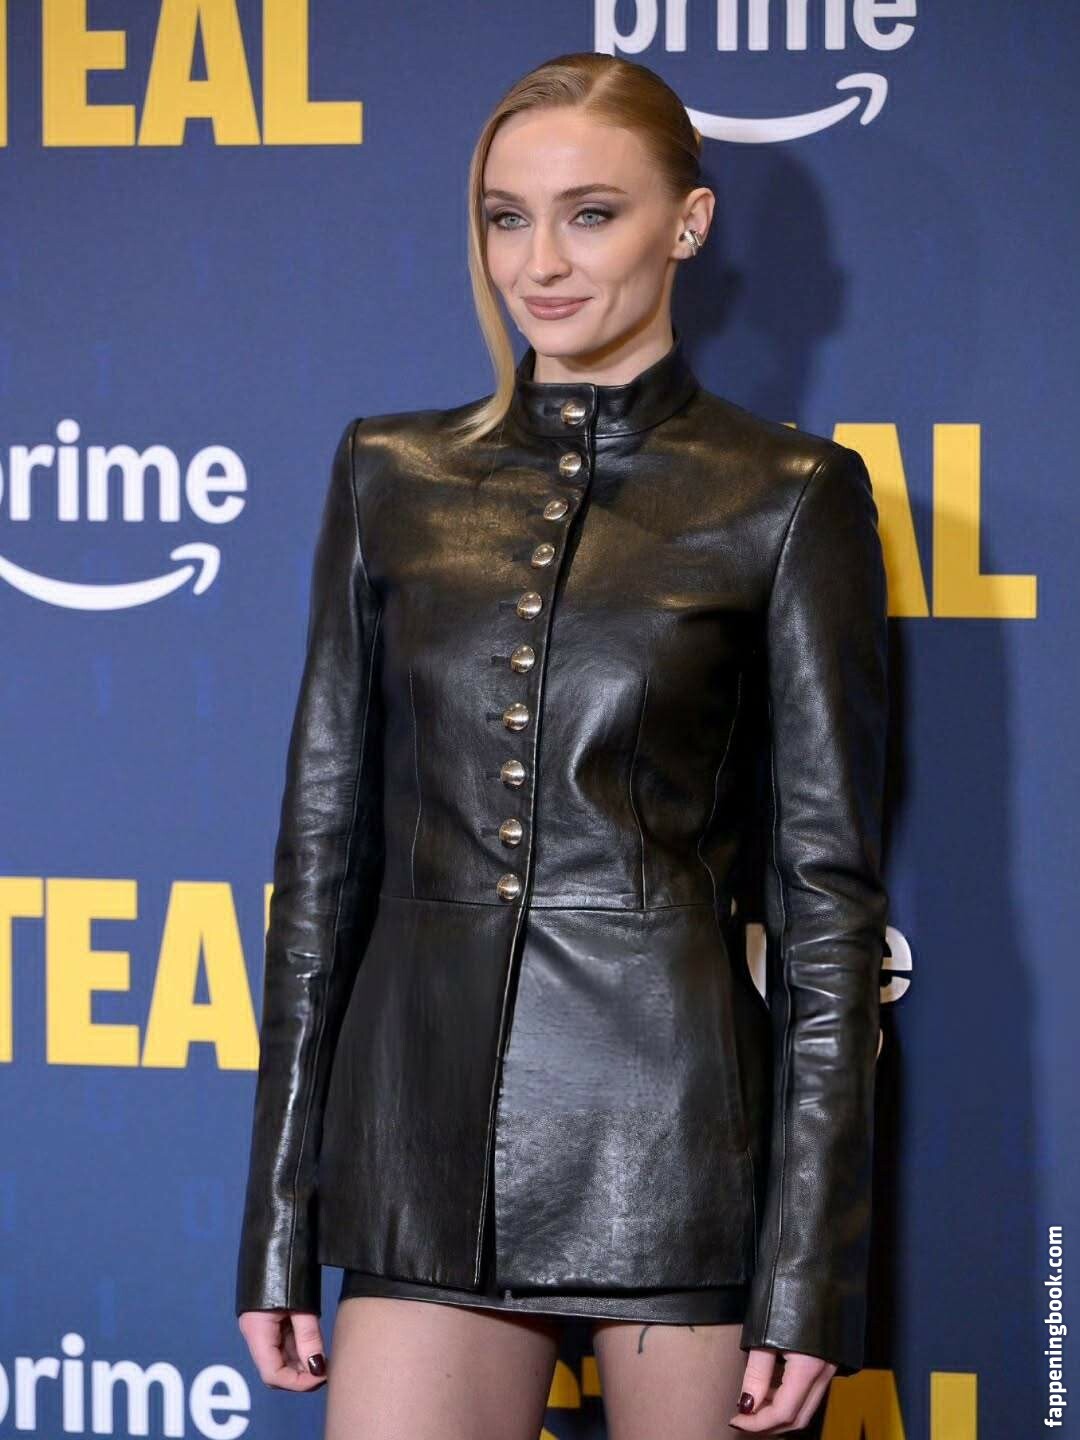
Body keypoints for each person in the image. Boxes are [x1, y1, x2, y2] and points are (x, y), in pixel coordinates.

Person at [235, 50, 890, 1440]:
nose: (540, 262)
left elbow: (826, 906)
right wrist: (280, 1222)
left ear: (688, 225)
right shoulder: (388, 475)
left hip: (679, 1148)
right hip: (417, 1150)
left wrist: (808, 1273)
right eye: (506, 217)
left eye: (591, 214)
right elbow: (320, 869)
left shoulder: (790, 496)